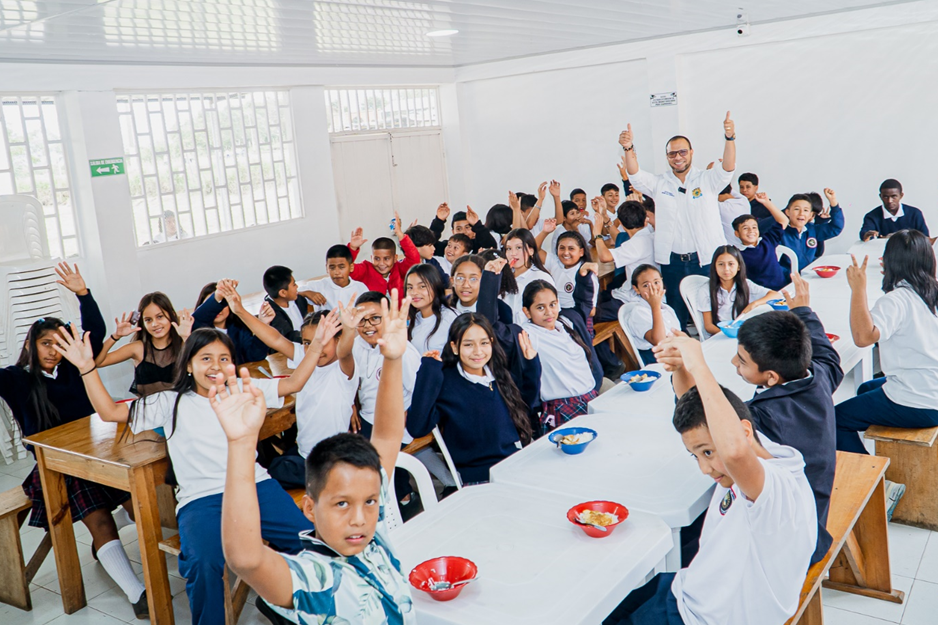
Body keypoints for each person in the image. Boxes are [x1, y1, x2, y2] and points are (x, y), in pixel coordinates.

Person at [53, 323, 328, 625]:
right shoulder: (169, 402)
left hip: (255, 486)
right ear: (188, 365)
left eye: (224, 358)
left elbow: (294, 383)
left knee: (310, 542)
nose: (216, 366)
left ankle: (301, 609)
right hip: (201, 500)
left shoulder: (243, 387)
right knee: (203, 563)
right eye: (206, 358)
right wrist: (86, 368)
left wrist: (317, 345)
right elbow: (109, 412)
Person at [211, 292, 417, 624]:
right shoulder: (315, 576)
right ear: (310, 508)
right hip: (308, 458)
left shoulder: (375, 536)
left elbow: (388, 435)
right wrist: (241, 444)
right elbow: (246, 559)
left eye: (370, 502)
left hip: (325, 455)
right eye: (341, 505)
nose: (360, 518)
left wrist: (392, 359)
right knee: (277, 466)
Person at [607, 337, 816, 625]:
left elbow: (733, 452)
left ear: (742, 433)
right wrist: (682, 367)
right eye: (695, 456)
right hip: (690, 586)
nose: (705, 468)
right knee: (608, 606)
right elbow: (700, 406)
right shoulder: (766, 449)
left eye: (707, 452)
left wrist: (698, 361)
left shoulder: (776, 488)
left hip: (701, 616)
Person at [2, 263, 148, 617]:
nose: (53, 350)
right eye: (45, 343)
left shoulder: (73, 367)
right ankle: (138, 593)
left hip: (99, 454)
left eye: (59, 343)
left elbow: (94, 332)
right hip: (55, 467)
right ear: (31, 346)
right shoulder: (15, 379)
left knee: (137, 503)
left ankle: (125, 541)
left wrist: (83, 293)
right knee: (99, 519)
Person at [668, 272, 839, 565]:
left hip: (791, 539)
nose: (734, 362)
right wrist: (802, 310)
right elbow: (824, 351)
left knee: (685, 541)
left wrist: (686, 368)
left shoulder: (763, 418)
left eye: (742, 361)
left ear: (770, 377)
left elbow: (703, 417)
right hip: (812, 507)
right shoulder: (818, 376)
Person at [836, 231, 938, 517]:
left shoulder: (897, 300)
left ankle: (879, 486)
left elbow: (862, 337)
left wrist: (858, 289)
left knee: (833, 421)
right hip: (930, 388)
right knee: (866, 388)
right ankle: (872, 457)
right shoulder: (933, 291)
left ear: (891, 262)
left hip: (921, 401)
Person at [224, 284, 357, 491]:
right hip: (306, 451)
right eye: (307, 343)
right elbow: (275, 338)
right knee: (268, 467)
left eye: (323, 341)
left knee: (268, 474)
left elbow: (346, 350)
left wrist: (349, 330)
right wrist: (239, 309)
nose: (315, 348)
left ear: (337, 340)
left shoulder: (343, 368)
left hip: (331, 459)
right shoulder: (307, 357)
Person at [619, 113, 738, 330]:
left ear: (691, 153)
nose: (678, 157)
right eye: (672, 153)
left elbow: (728, 168)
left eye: (682, 152)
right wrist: (628, 148)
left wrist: (729, 138)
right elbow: (635, 175)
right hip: (673, 262)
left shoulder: (706, 179)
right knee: (676, 313)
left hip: (706, 260)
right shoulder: (660, 183)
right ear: (667, 157)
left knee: (711, 315)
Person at [408, 314, 538, 484]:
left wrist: (531, 366)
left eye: (484, 343)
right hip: (479, 478)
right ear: (454, 347)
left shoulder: (498, 374)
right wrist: (429, 370)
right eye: (468, 344)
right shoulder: (447, 382)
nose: (478, 351)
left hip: (513, 465)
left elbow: (526, 406)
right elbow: (417, 427)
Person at [336, 291, 422, 439]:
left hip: (395, 425)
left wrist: (408, 415)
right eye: (361, 320)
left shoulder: (404, 352)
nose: (368, 326)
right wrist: (351, 404)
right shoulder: (356, 346)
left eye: (375, 318)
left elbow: (419, 393)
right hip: (366, 418)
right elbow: (345, 378)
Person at [521, 280, 601, 434]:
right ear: (527, 312)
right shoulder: (528, 334)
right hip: (563, 408)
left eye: (552, 304)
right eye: (540, 307)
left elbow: (584, 304)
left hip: (591, 398)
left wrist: (584, 276)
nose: (549, 312)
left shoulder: (565, 324)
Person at [95, 291, 192, 396]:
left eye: (160, 317)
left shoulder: (184, 344)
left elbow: (200, 371)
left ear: (172, 315)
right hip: (146, 410)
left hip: (180, 409)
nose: (154, 324)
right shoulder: (138, 348)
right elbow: (98, 362)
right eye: (148, 320)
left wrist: (185, 338)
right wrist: (115, 336)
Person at [696, 246, 778, 337]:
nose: (726, 269)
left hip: (740, 334)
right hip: (718, 335)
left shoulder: (745, 284)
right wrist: (728, 334)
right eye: (721, 264)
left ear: (738, 266)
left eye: (731, 264)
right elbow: (708, 326)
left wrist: (754, 304)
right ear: (714, 267)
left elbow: (775, 295)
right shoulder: (705, 290)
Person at [763, 189, 844, 272]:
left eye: (805, 210)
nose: (801, 213)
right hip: (789, 280)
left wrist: (833, 202)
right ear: (787, 212)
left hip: (810, 275)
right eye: (797, 209)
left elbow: (836, 228)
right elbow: (771, 263)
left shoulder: (812, 229)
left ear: (811, 215)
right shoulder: (780, 233)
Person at [192, 280, 271, 365]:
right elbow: (197, 319)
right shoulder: (200, 331)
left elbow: (255, 356)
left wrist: (263, 324)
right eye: (216, 305)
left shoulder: (239, 328)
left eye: (223, 304)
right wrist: (217, 296)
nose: (218, 310)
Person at [348, 213, 421, 303]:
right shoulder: (365, 269)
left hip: (401, 315)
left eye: (386, 259)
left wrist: (401, 235)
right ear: (371, 258)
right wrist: (352, 249)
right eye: (377, 259)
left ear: (395, 258)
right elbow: (347, 268)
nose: (381, 263)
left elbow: (414, 259)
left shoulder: (400, 269)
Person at [625, 264, 681, 365]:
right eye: (646, 285)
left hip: (674, 351)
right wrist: (655, 306)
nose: (653, 288)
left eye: (656, 282)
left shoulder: (667, 308)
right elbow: (660, 341)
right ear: (636, 289)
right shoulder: (638, 312)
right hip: (657, 360)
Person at [733, 192, 790, 290]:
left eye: (754, 227)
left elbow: (783, 221)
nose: (751, 231)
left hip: (781, 290)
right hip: (758, 295)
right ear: (737, 234)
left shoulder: (767, 241)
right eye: (745, 228)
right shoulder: (736, 253)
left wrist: (766, 202)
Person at [502, 228, 556, 324]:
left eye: (519, 248)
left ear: (531, 251)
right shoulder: (502, 275)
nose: (513, 254)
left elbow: (553, 311)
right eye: (509, 249)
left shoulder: (541, 277)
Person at [405, 263, 459, 354]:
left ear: (436, 287)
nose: (414, 292)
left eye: (422, 286)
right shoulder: (413, 320)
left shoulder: (451, 317)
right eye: (410, 287)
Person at [299, 245, 368, 312]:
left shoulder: (360, 288)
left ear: (351, 267)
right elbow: (292, 294)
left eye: (341, 267)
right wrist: (305, 293)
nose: (337, 272)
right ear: (327, 268)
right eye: (332, 267)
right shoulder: (317, 286)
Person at [860, 179, 930, 241]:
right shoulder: (871, 216)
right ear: (880, 196)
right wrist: (867, 235)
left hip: (910, 254)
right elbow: (865, 236)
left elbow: (925, 237)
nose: (889, 201)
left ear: (901, 195)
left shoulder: (915, 213)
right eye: (885, 197)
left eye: (894, 196)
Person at [262, 265, 312, 342]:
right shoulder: (270, 313)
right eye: (294, 284)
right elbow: (288, 336)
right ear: (283, 293)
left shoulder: (299, 300)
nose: (297, 286)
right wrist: (312, 336)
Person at [430, 203, 498, 254]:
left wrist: (477, 225)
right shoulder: (447, 248)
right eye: (459, 229)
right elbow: (429, 244)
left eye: (467, 227)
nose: (463, 232)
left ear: (474, 230)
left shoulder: (479, 246)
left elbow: (491, 247)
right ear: (453, 232)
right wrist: (439, 221)